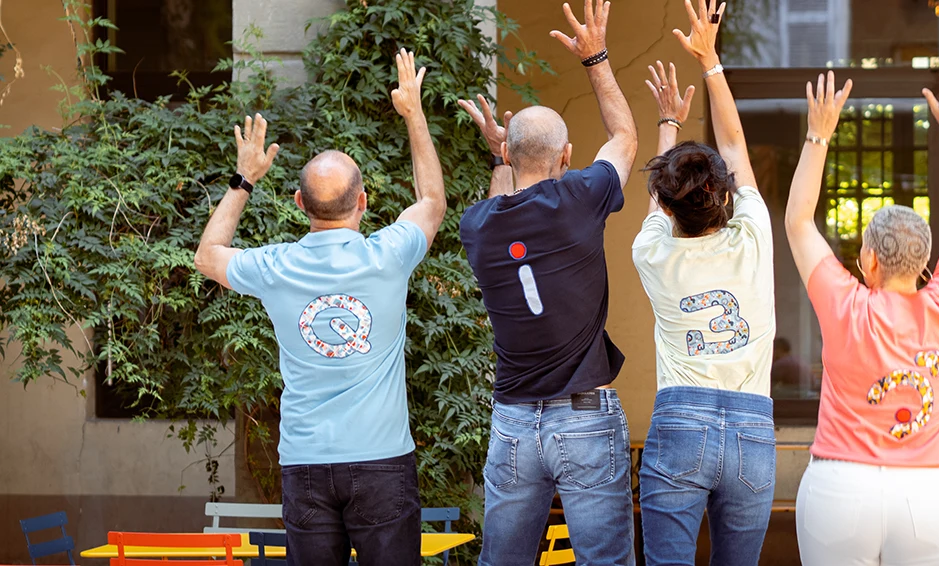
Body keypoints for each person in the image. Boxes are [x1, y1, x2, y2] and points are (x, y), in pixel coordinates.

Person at [192, 50, 445, 566]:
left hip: (305, 465)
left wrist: (244, 180)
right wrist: (413, 113)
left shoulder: (275, 267)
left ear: (299, 204)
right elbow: (433, 199)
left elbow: (207, 255)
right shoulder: (388, 255)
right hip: (381, 463)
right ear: (365, 202)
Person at [454, 1, 638, 564]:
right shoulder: (580, 197)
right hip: (582, 416)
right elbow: (626, 136)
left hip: (512, 419)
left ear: (506, 153)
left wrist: (499, 155)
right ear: (568, 156)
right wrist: (595, 57)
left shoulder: (477, 227)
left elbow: (499, 200)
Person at [784, 62, 939, 566]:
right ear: (926, 263)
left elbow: (799, 220)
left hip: (840, 490)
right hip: (929, 495)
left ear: (868, 260)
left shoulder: (845, 303)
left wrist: (818, 134)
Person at [630, 1, 778, 563]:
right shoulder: (754, 236)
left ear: (667, 209)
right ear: (725, 196)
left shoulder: (653, 252)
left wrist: (668, 122)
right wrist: (710, 61)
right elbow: (735, 144)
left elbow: (660, 194)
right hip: (751, 425)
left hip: (679, 420)